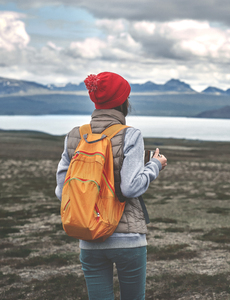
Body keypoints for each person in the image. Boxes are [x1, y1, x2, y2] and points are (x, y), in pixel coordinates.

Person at [55, 71, 167, 300]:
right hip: (129, 240)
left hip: (89, 237)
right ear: (123, 102)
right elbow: (130, 188)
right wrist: (155, 165)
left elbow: (61, 191)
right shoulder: (130, 135)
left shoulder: (75, 136)